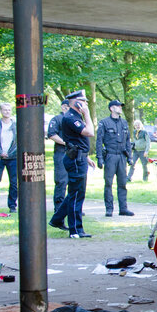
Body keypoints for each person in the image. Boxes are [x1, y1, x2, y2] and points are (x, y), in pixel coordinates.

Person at [49, 90, 95, 238]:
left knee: (75, 192)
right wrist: (87, 114)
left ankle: (57, 219)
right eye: (84, 101)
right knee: (76, 194)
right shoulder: (70, 117)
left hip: (79, 157)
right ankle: (75, 229)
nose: (86, 104)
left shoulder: (74, 116)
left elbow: (77, 141)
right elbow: (89, 132)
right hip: (75, 159)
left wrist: (86, 157)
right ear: (77, 103)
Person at [96, 99, 134, 217]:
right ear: (112, 108)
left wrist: (130, 157)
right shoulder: (104, 123)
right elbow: (99, 141)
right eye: (118, 106)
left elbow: (127, 140)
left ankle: (123, 208)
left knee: (122, 183)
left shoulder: (124, 123)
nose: (120, 108)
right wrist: (100, 158)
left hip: (122, 156)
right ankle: (109, 209)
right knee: (108, 183)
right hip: (110, 156)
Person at [48, 99, 70, 209]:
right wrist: (65, 143)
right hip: (61, 152)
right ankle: (59, 207)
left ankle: (72, 207)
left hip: (74, 154)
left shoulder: (76, 119)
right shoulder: (57, 119)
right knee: (61, 181)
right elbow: (51, 134)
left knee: (74, 182)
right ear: (64, 107)